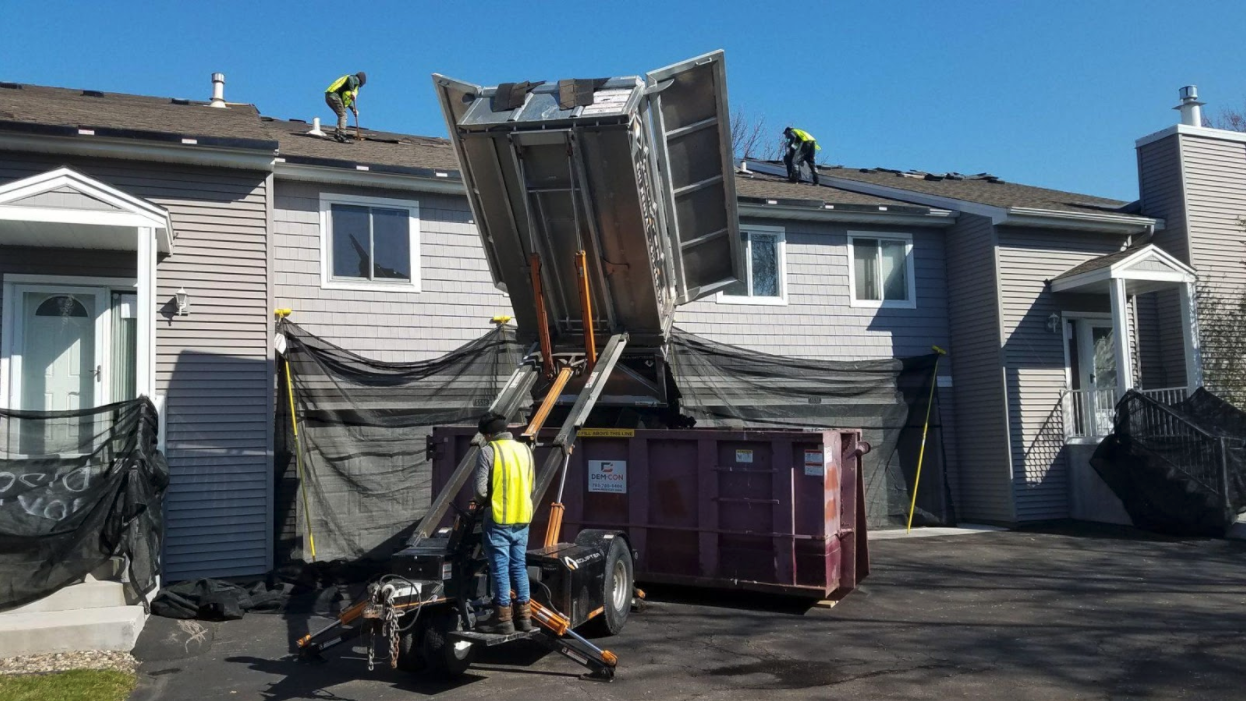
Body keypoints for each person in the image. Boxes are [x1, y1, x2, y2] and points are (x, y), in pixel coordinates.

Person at [472, 412, 536, 635]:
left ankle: (503, 619)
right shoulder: (525, 450)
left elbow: (480, 491)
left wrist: (483, 502)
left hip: (498, 519)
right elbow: (531, 487)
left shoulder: (489, 451)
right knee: (518, 566)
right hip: (522, 519)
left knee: (500, 569)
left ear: (489, 434)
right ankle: (525, 618)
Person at [324, 72, 367, 143]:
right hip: (334, 95)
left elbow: (347, 99)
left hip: (329, 96)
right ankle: (342, 135)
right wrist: (352, 91)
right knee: (343, 115)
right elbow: (351, 79)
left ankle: (337, 134)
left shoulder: (349, 86)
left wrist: (353, 109)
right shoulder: (355, 79)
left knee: (341, 114)